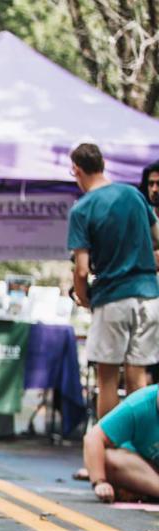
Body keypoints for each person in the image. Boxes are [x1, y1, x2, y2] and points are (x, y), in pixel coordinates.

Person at [68, 142, 159, 421]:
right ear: (103, 165)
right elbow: (157, 237)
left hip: (112, 297)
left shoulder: (82, 209)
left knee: (106, 376)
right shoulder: (133, 195)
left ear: (77, 171)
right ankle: (141, 449)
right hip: (149, 296)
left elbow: (81, 270)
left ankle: (110, 449)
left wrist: (84, 298)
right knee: (138, 373)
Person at [84, 383, 159, 503]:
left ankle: (142, 492)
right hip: (144, 469)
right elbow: (93, 438)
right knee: (108, 458)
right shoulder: (139, 404)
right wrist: (99, 482)